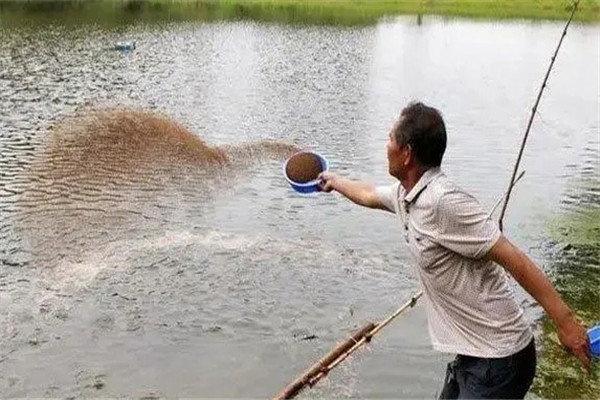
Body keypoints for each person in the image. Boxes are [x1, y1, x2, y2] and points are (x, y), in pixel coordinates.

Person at [317, 102, 590, 399]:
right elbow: (369, 194)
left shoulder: (444, 203)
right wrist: (335, 182)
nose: (386, 145)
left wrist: (567, 323)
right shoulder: (406, 196)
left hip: (500, 360)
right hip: (472, 355)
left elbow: (516, 260)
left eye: (390, 138)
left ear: (407, 153)